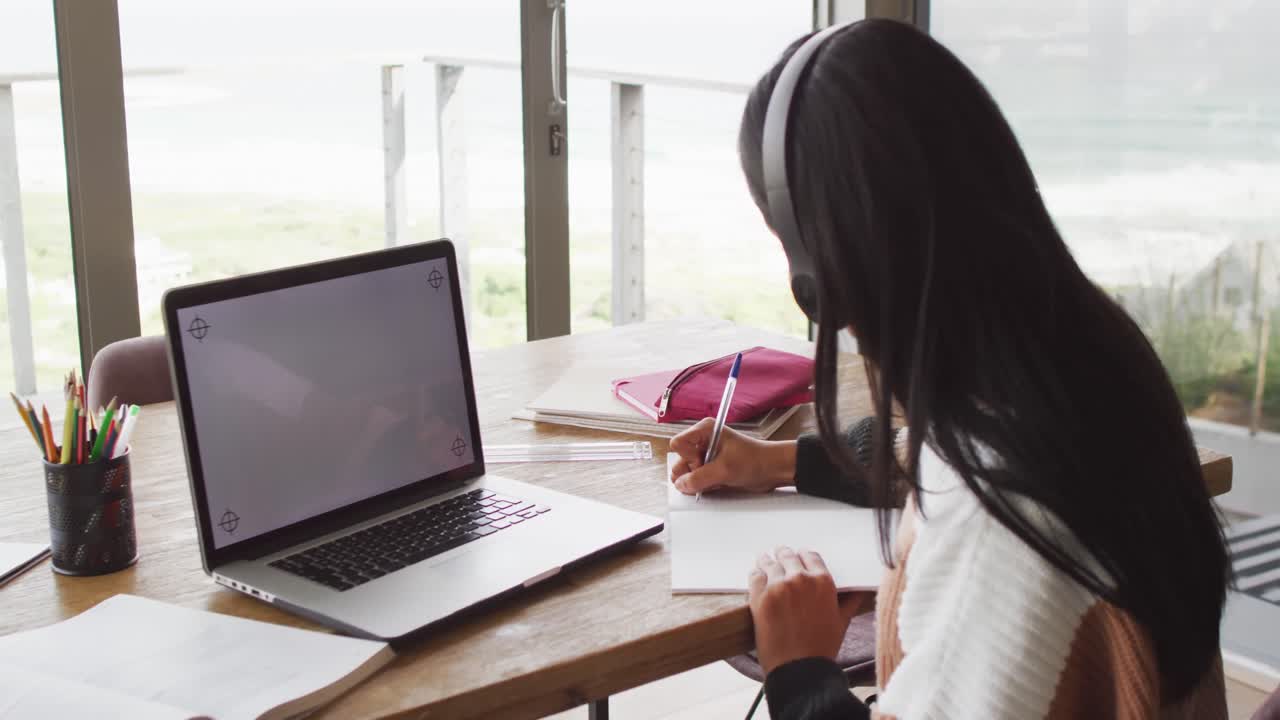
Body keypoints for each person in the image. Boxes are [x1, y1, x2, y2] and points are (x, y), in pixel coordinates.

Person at [669, 18, 1232, 720]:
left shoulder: (999, 529)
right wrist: (782, 463)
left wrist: (802, 672)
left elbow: (975, 493)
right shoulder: (1093, 372)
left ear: (823, 275)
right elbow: (943, 451)